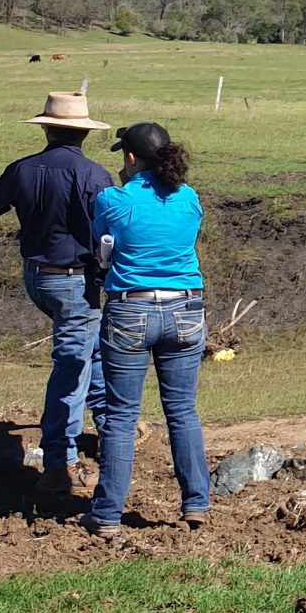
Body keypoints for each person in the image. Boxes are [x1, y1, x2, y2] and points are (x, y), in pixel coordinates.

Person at [0, 90, 114, 501]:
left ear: (48, 128)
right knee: (72, 367)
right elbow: (105, 232)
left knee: (88, 351)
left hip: (38, 276)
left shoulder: (23, 169)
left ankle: (109, 426)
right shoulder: (95, 176)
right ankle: (59, 463)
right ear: (83, 133)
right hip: (75, 280)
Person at [86, 120, 211, 534]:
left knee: (121, 417)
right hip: (186, 308)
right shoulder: (189, 199)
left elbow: (101, 250)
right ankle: (196, 503)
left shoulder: (113, 200)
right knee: (182, 411)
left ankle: (106, 515)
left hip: (131, 309)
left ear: (131, 157)